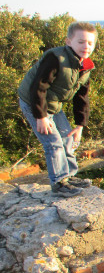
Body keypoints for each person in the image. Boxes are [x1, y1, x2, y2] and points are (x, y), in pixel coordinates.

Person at [17, 22, 97, 197]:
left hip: (53, 104)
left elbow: (82, 98)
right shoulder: (56, 58)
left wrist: (80, 125)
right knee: (53, 142)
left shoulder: (86, 66)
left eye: (90, 43)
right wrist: (41, 117)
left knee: (67, 138)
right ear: (69, 42)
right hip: (34, 103)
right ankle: (59, 182)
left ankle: (69, 176)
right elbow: (38, 87)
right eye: (81, 42)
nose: (86, 46)